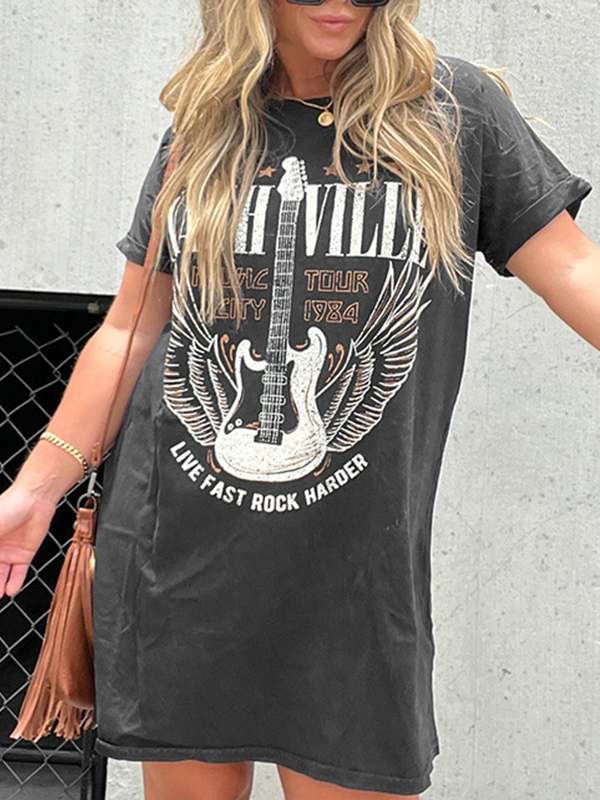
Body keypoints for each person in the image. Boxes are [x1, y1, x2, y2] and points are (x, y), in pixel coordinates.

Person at [0, 0, 597, 797]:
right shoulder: (207, 128)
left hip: (353, 581)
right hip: (178, 559)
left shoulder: (451, 112)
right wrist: (36, 489)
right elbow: (132, 331)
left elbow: (573, 267)